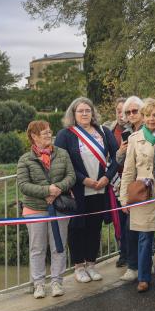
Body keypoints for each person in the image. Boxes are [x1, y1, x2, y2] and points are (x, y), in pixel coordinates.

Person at [55, 97, 119, 284]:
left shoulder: (104, 132)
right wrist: (84, 180)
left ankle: (91, 264)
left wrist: (107, 177)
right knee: (77, 229)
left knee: (94, 227)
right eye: (80, 111)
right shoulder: (65, 135)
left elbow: (117, 157)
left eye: (87, 110)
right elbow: (62, 163)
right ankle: (79, 267)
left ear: (92, 112)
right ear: (73, 114)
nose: (84, 114)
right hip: (78, 191)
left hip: (100, 189)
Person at [17, 120, 76, 298]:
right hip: (35, 209)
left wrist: (57, 189)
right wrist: (47, 191)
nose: (49, 135)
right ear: (34, 136)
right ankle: (39, 284)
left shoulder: (62, 154)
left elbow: (71, 176)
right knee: (37, 248)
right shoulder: (25, 159)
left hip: (59, 207)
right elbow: (23, 185)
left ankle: (57, 282)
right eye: (45, 133)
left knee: (59, 246)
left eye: (50, 132)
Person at [120, 98, 155, 293]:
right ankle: (144, 277)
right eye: (147, 115)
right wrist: (124, 198)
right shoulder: (134, 138)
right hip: (142, 193)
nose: (151, 119)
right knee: (144, 238)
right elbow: (128, 170)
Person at [116, 96, 144, 282]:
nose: (131, 115)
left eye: (135, 111)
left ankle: (145, 267)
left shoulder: (150, 129)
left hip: (148, 184)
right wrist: (121, 152)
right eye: (128, 112)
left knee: (148, 231)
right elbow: (122, 163)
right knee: (130, 227)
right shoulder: (126, 133)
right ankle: (133, 266)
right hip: (133, 186)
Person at [103, 97, 130, 267]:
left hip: (132, 181)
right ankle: (123, 252)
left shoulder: (136, 129)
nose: (121, 115)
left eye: (124, 111)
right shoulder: (108, 131)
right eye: (118, 111)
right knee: (118, 219)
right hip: (115, 180)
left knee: (131, 220)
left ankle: (134, 253)